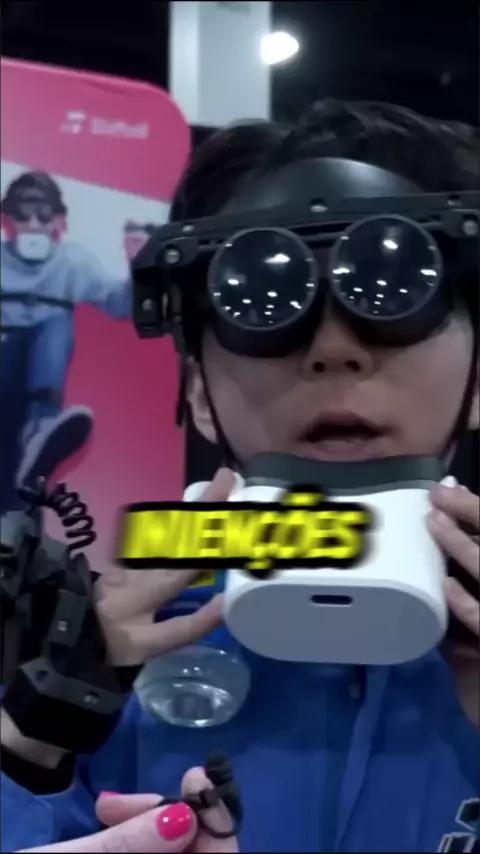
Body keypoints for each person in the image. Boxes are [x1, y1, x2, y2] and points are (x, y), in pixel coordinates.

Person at [1, 100, 479, 853]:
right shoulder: (110, 654)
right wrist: (38, 732)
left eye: (393, 288)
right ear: (199, 392)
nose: (332, 349)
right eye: (261, 298)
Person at [0, 171, 131, 509]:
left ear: (58, 221)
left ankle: (41, 431)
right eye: (23, 213)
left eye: (43, 214)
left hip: (35, 390)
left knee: (57, 320)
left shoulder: (73, 262)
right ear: (7, 219)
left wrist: (138, 264)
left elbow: (121, 305)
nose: (33, 224)